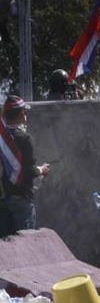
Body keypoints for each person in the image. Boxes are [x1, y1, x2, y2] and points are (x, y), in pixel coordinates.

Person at [0, 95, 50, 237]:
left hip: (3, 198)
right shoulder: (25, 139)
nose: (26, 114)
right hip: (22, 197)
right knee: (25, 244)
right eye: (24, 111)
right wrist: (41, 169)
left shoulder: (1, 138)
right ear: (21, 114)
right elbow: (27, 172)